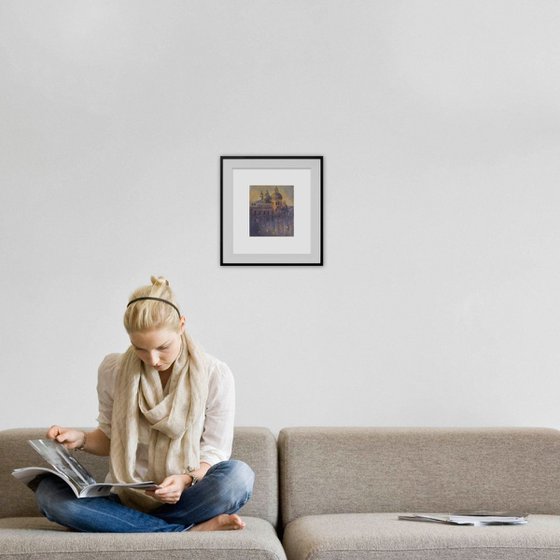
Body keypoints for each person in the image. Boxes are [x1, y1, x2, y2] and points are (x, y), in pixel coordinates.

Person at [34, 276, 254, 533]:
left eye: (163, 347)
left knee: (239, 477)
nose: (152, 359)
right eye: (139, 349)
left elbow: (214, 451)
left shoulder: (215, 374)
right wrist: (80, 438)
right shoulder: (113, 370)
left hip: (186, 497)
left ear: (182, 325)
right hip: (124, 498)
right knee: (48, 494)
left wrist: (184, 480)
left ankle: (130, 527)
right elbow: (110, 438)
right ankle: (184, 532)